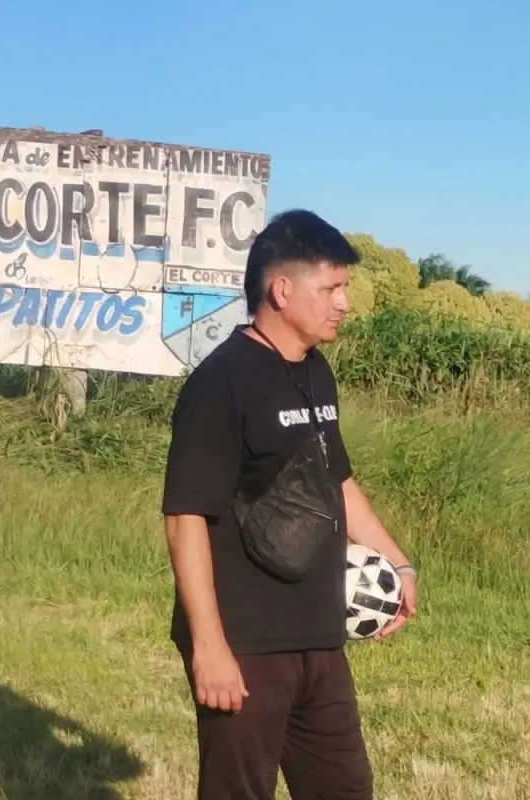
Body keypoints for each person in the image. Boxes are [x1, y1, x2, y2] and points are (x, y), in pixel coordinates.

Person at [160, 208, 418, 799]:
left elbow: (337, 481)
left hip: (319, 633)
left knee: (344, 789)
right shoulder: (221, 382)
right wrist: (210, 647)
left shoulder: (314, 372)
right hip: (245, 642)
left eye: (343, 288)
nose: (343, 303)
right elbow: (184, 518)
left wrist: (397, 562)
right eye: (331, 288)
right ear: (281, 289)